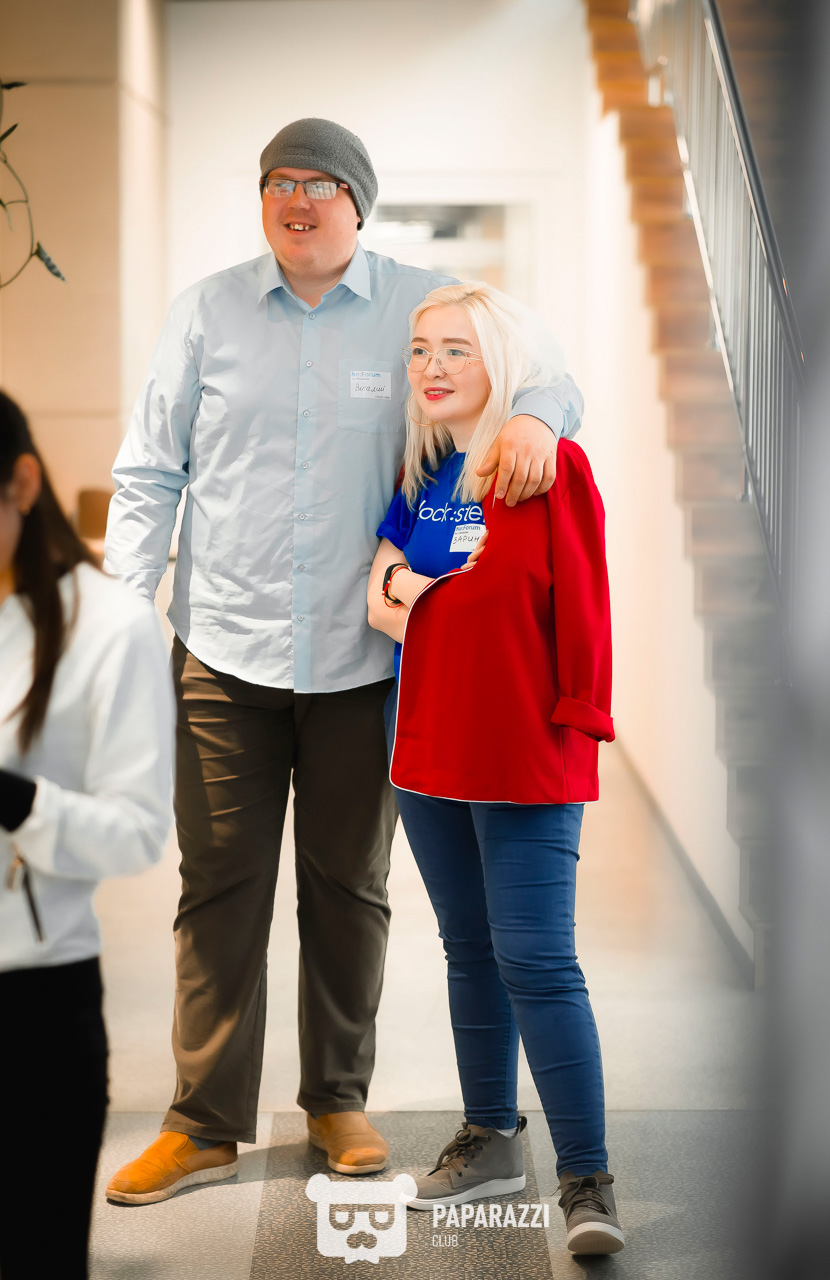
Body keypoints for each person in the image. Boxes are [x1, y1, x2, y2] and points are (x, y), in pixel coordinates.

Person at [102, 116, 584, 1203]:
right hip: (222, 650)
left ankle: (335, 1100)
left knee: (349, 886)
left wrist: (537, 420)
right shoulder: (206, 312)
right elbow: (149, 473)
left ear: (357, 202)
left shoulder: (418, 307)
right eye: (279, 181)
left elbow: (543, 368)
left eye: (320, 183)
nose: (297, 199)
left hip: (365, 661)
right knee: (217, 887)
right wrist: (124, 618)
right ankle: (203, 1122)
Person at [367, 283, 625, 1256]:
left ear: (503, 362)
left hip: (523, 747)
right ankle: (491, 1141)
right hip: (424, 744)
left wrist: (418, 591)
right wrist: (418, 592)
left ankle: (586, 1179)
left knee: (538, 960)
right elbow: (377, 599)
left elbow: (581, 608)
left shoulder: (547, 464)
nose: (430, 367)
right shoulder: (425, 471)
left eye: (456, 350)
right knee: (468, 949)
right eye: (419, 349)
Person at [0, 391, 174, 1278]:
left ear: (22, 483)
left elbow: (138, 833)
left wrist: (16, 802)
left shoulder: (109, 627)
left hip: (31, 1007)